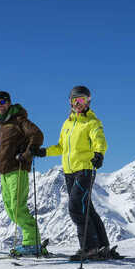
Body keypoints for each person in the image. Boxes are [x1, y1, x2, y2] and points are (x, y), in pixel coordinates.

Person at [33, 85, 118, 259]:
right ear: (70, 102)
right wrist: (44, 152)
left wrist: (99, 154)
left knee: (76, 208)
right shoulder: (67, 124)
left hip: (85, 169)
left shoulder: (92, 122)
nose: (78, 103)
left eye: (82, 100)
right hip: (69, 172)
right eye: (75, 100)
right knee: (87, 208)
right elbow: (61, 147)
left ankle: (89, 248)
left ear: (88, 102)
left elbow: (99, 140)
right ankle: (102, 246)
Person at [0, 91, 46, 256]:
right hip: (4, 172)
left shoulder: (19, 120)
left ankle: (32, 243)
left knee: (17, 207)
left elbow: (37, 134)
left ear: (9, 103)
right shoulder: (0, 123)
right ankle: (32, 242)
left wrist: (28, 153)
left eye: (2, 102)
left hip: (18, 168)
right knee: (9, 209)